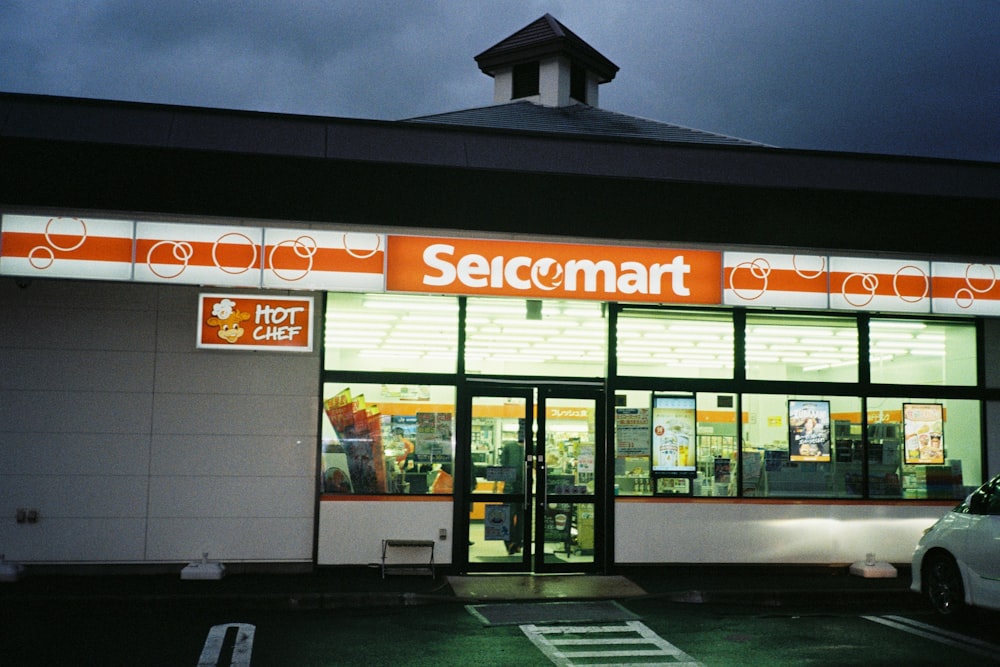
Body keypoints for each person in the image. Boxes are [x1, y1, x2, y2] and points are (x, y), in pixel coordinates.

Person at [500, 440, 524, 554]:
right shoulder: (531, 447)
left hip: (511, 485)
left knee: (509, 515)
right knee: (521, 516)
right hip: (522, 487)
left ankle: (511, 542)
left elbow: (502, 463)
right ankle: (516, 543)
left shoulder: (508, 446)